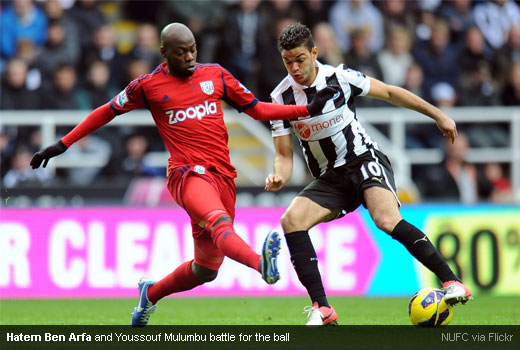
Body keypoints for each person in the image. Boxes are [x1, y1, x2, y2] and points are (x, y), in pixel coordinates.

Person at [30, 22, 338, 327]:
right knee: (220, 223)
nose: (190, 57)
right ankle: (262, 266)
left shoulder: (215, 74)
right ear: (164, 54)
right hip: (187, 174)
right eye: (181, 52)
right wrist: (62, 144)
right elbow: (106, 111)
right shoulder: (147, 86)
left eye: (193, 50)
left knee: (206, 269)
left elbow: (257, 110)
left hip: (222, 176)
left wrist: (307, 110)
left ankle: (149, 294)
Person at [265, 23, 473, 326]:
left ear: (314, 52)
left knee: (385, 219)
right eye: (288, 61)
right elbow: (284, 156)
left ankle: (452, 282)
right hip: (330, 178)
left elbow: (389, 92)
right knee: (291, 220)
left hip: (363, 159)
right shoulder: (280, 97)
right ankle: (322, 308)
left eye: (300, 59)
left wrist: (438, 115)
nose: (294, 68)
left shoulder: (340, 78)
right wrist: (279, 176)